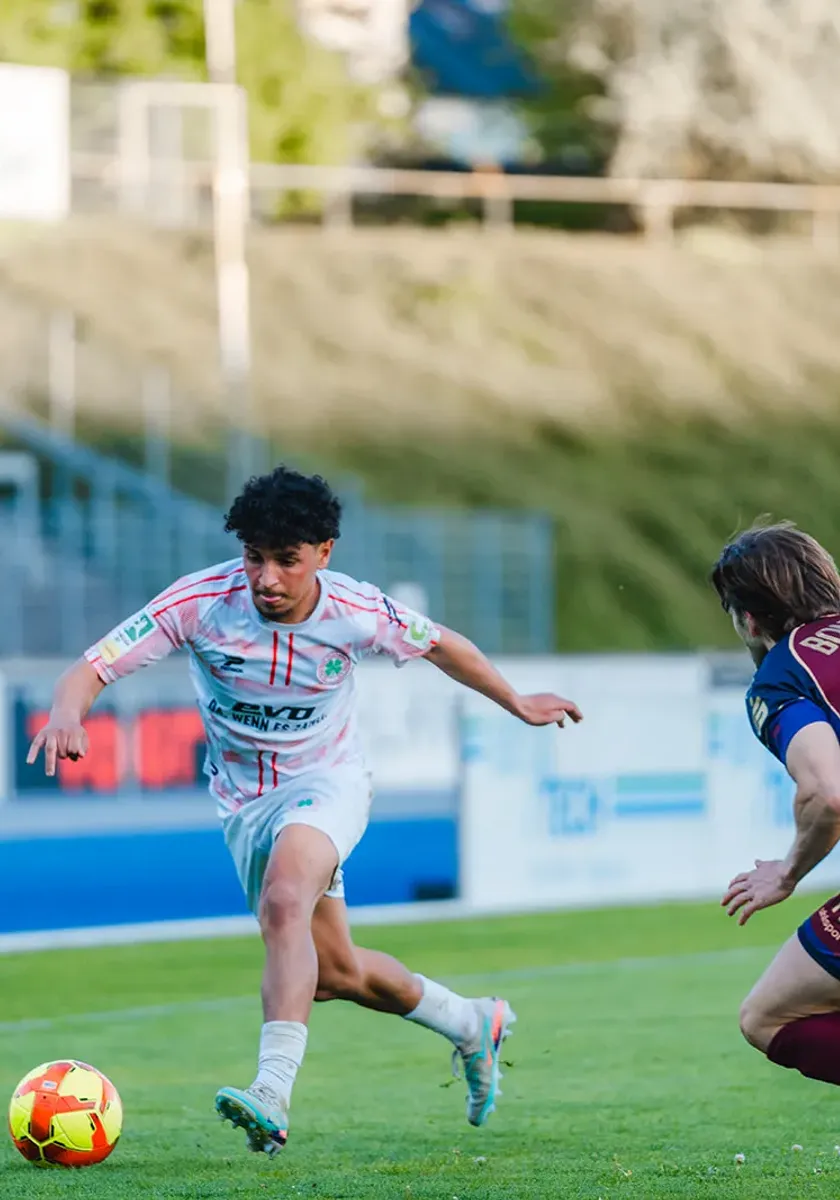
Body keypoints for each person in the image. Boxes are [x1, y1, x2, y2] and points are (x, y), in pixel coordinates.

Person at [28, 466, 583, 1157]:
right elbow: (90, 668)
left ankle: (271, 1092)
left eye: (286, 560)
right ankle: (471, 1022)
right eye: (254, 556)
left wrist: (518, 702)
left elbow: (444, 645)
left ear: (324, 552)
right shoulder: (201, 601)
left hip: (328, 782)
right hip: (242, 802)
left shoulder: (356, 609)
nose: (266, 577)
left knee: (285, 900)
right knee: (336, 973)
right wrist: (66, 715)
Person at [711, 520, 840, 1091]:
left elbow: (827, 791)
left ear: (749, 618)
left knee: (767, 1016)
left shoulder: (783, 675)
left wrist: (788, 872)